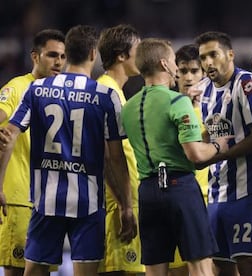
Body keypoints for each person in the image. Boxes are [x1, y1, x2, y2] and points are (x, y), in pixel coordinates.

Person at [0, 25, 137, 276]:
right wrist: (126, 206)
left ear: (68, 54)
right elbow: (115, 159)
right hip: (88, 203)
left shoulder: (36, 90)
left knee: (35, 271)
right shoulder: (106, 96)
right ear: (93, 54)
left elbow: (7, 136)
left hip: (46, 201)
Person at [121, 38, 230, 276]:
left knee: (155, 272)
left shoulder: (128, 107)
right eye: (173, 61)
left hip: (147, 191)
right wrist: (219, 146)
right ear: (164, 64)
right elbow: (195, 154)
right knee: (201, 268)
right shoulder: (177, 101)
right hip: (180, 187)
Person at [193, 31, 252, 276]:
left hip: (249, 193)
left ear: (230, 55)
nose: (208, 63)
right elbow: (208, 135)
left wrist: (214, 155)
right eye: (203, 57)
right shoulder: (203, 90)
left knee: (248, 266)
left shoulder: (246, 84)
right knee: (220, 268)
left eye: (213, 55)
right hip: (217, 194)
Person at [0, 28, 66, 276]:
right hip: (19, 199)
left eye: (62, 56)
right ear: (35, 57)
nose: (58, 62)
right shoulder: (17, 87)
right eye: (52, 55)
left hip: (48, 203)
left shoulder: (61, 93)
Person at [96, 24, 145, 276]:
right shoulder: (106, 91)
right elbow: (105, 156)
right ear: (121, 55)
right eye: (138, 48)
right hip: (117, 206)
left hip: (124, 203)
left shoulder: (116, 92)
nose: (143, 54)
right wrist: (124, 205)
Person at [167, 44, 210, 276]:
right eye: (183, 71)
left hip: (210, 200)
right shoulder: (168, 108)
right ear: (175, 75)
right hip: (179, 200)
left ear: (203, 73)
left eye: (195, 71)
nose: (189, 77)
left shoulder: (214, 109)